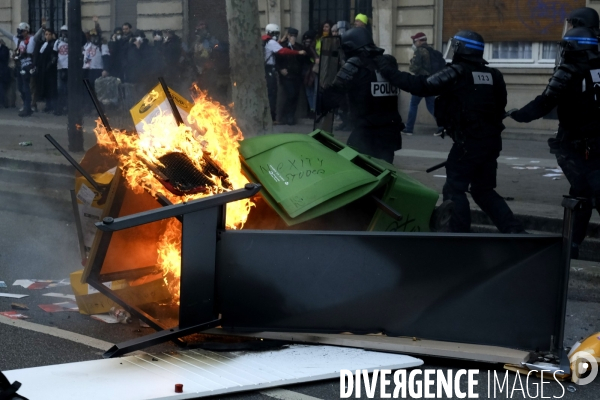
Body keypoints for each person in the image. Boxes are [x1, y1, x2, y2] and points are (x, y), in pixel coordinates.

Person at [375, 30, 525, 233]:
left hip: (468, 144)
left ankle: (457, 235)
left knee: (455, 189)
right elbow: (500, 106)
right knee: (483, 190)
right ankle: (514, 232)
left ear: (461, 49)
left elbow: (422, 85)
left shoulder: (457, 71)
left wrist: (390, 72)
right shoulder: (493, 75)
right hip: (490, 142)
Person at [507, 28, 600, 257]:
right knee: (582, 195)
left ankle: (571, 247)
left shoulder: (568, 71)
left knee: (585, 195)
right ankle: (571, 246)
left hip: (576, 146)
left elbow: (545, 102)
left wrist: (519, 114)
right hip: (594, 144)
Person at [321, 28, 403, 163]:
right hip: (390, 131)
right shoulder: (387, 63)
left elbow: (333, 96)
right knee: (384, 172)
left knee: (352, 169)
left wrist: (323, 97)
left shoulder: (355, 66)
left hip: (366, 132)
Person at [403, 32, 444, 136]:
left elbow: (413, 68)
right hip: (431, 82)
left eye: (415, 41)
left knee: (413, 104)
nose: (414, 43)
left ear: (420, 41)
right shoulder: (431, 51)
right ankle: (442, 125)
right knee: (431, 106)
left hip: (420, 83)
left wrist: (411, 61)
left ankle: (409, 129)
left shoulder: (419, 51)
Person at [263, 23, 306, 122]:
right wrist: (298, 52)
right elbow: (282, 52)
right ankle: (273, 117)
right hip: (272, 70)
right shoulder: (273, 43)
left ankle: (276, 117)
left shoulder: (266, 41)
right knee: (272, 94)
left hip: (271, 70)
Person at [0, 22, 37, 117]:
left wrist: (42, 28)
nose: (20, 33)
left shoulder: (32, 39)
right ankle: (25, 105)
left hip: (28, 65)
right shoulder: (18, 40)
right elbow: (8, 35)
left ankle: (27, 108)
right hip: (19, 65)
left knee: (26, 86)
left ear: (26, 31)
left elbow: (37, 36)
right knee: (20, 87)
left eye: (22, 31)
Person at [276, 28, 306, 125]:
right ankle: (285, 115)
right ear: (288, 36)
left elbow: (303, 59)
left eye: (294, 36)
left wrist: (294, 47)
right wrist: (280, 69)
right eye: (291, 35)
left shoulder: (299, 47)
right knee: (291, 94)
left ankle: (291, 116)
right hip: (287, 75)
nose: (292, 37)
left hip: (296, 75)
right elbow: (276, 59)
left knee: (295, 96)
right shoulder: (282, 46)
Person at [191, 21, 218, 91]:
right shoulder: (196, 42)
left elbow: (212, 50)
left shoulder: (210, 41)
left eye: (202, 30)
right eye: (199, 30)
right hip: (198, 65)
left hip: (208, 66)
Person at [83, 17, 110, 86]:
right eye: (92, 36)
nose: (93, 38)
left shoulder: (102, 45)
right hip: (87, 69)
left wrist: (105, 69)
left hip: (97, 70)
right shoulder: (87, 44)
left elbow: (106, 57)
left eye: (95, 36)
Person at [38, 28, 57, 112]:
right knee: (46, 87)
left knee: (52, 88)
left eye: (49, 34)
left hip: (51, 70)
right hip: (44, 69)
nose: (47, 36)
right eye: (46, 34)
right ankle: (48, 105)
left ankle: (52, 105)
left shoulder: (53, 43)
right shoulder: (44, 44)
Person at [302, 30, 319, 117]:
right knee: (310, 90)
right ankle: (313, 109)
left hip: (311, 68)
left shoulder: (312, 47)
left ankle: (314, 109)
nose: (307, 43)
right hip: (307, 69)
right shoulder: (307, 47)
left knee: (314, 90)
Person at [53, 25, 69, 115]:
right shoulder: (58, 42)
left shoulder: (70, 42)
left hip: (68, 67)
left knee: (67, 89)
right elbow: (54, 53)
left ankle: (67, 107)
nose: (64, 34)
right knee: (60, 89)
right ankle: (60, 107)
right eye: (62, 32)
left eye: (65, 32)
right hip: (60, 67)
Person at [0, 39, 9, 107]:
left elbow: (3, 57)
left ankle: (2, 103)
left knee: (2, 88)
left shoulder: (4, 49)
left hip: (2, 71)